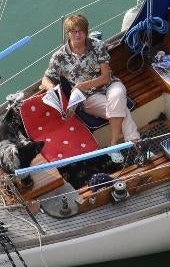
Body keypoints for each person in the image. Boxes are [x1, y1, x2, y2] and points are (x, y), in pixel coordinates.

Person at [39, 13, 139, 164]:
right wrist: (51, 87)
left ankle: (113, 146)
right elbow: (46, 78)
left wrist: (82, 85)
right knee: (121, 109)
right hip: (89, 98)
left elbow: (105, 77)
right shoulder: (59, 57)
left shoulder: (97, 45)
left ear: (86, 31)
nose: (78, 34)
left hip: (110, 84)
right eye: (74, 31)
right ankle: (137, 144)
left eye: (81, 31)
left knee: (118, 94)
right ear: (68, 33)